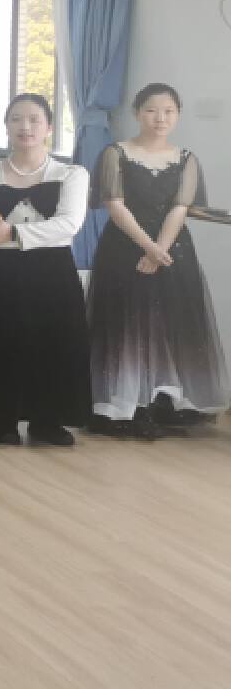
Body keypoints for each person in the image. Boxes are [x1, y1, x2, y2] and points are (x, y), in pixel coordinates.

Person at [86, 83, 226, 437]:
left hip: (173, 251)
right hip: (124, 247)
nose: (160, 118)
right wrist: (147, 247)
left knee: (167, 324)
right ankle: (125, 406)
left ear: (177, 115)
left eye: (169, 111)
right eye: (151, 110)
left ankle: (163, 401)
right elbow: (114, 205)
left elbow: (180, 208)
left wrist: (159, 250)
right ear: (137, 113)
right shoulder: (115, 153)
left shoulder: (186, 159)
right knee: (127, 325)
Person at [0, 94, 90, 447]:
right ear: (6, 126)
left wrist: (14, 233)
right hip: (3, 270)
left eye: (35, 119)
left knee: (53, 343)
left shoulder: (71, 174)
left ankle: (46, 421)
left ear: (49, 127)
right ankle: (5, 419)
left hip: (53, 271)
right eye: (16, 119)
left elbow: (69, 224)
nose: (25, 126)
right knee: (4, 343)